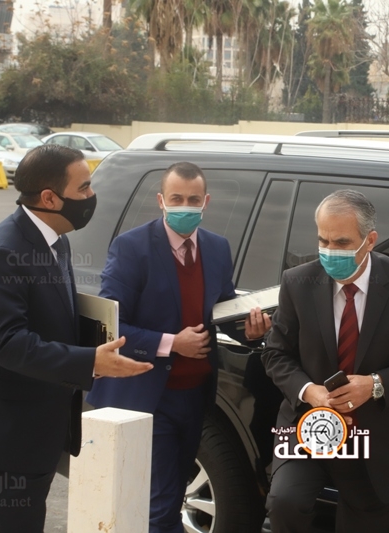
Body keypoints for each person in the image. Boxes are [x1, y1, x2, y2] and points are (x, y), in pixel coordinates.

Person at [0, 144, 153, 533]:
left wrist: (96, 340)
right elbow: (8, 344)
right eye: (84, 187)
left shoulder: (55, 239)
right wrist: (89, 362)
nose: (91, 196)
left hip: (36, 432)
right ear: (49, 198)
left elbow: (51, 315)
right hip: (3, 439)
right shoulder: (4, 253)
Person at [85, 161, 271, 533]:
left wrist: (251, 331)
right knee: (161, 506)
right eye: (176, 199)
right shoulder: (132, 247)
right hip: (149, 396)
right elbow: (111, 323)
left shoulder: (217, 247)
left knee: (172, 497)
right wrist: (172, 344)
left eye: (193, 200)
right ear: (161, 201)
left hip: (196, 398)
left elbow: (222, 310)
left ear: (206, 202)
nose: (185, 206)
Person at [262, 189, 389, 533]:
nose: (330, 251)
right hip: (308, 425)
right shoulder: (298, 282)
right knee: (285, 503)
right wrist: (310, 392)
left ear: (370, 240)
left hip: (374, 432)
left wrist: (375, 385)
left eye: (342, 242)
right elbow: (275, 353)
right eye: (323, 241)